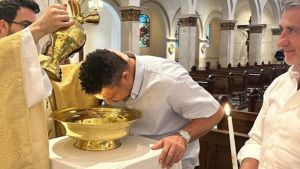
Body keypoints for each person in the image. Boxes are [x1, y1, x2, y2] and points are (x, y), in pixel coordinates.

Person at [79, 49, 224, 169]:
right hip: (128, 159)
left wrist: (182, 137)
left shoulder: (170, 79)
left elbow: (215, 113)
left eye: (112, 96)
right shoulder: (110, 69)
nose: (108, 102)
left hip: (167, 161)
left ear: (125, 77)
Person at [0, 0, 73, 168]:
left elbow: (67, 78)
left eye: (34, 25)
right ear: (2, 26)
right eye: (26, 25)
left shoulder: (32, 59)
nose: (33, 34)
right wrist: (39, 28)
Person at [238, 0, 300, 168]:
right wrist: (249, 162)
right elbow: (257, 140)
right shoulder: (279, 85)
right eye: (282, 30)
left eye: (293, 30)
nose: (280, 42)